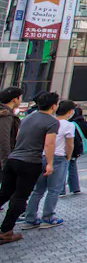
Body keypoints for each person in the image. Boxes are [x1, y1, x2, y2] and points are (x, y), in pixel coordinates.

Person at [0, 92, 59, 244]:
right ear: (54, 106)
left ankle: (6, 228)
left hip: (13, 159)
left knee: (5, 193)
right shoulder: (52, 121)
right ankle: (6, 231)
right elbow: (49, 144)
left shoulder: (28, 117)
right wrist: (50, 163)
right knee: (20, 197)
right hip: (30, 162)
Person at [22, 100, 75, 229]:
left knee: (38, 190)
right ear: (69, 112)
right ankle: (48, 217)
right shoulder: (68, 125)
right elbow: (69, 144)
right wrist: (68, 155)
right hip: (58, 157)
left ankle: (30, 218)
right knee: (54, 189)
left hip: (42, 156)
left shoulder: (48, 121)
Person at [64, 106, 87, 197]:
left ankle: (61, 189)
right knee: (73, 167)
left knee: (64, 169)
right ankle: (75, 187)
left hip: (70, 147)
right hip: (78, 148)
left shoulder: (70, 123)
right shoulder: (84, 122)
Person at [0, 87, 23, 169]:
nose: (21, 101)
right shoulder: (5, 115)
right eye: (20, 98)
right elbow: (4, 139)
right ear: (14, 99)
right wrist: (6, 162)